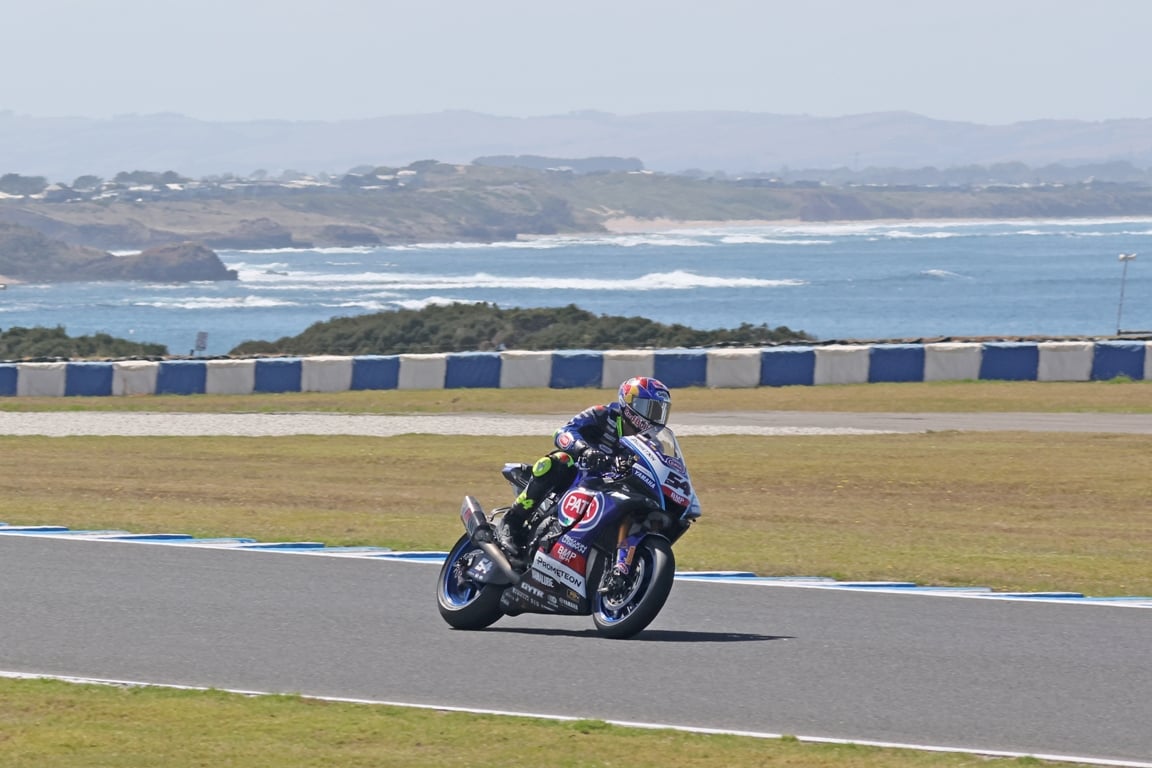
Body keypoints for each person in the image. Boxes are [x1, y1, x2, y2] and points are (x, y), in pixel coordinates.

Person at [496, 376, 673, 556]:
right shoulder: (603, 414)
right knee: (558, 461)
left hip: (612, 488)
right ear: (628, 403)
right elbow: (563, 433)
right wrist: (584, 450)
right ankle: (512, 522)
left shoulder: (653, 445)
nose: (654, 417)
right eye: (649, 409)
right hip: (578, 477)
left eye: (660, 411)